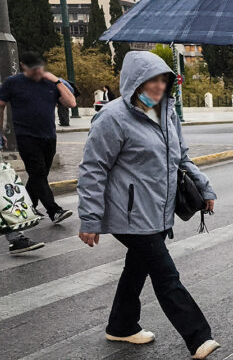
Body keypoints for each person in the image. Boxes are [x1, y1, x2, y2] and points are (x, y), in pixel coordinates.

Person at [77, 51, 220, 359]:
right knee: (165, 274)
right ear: (134, 81)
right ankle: (198, 336)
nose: (158, 86)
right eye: (150, 80)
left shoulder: (166, 113)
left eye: (163, 79)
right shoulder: (113, 116)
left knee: (137, 266)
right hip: (127, 212)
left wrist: (205, 188)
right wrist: (89, 219)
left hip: (156, 209)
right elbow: (93, 168)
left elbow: (181, 159)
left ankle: (121, 324)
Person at [0, 52, 76, 254]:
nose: (37, 71)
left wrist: (58, 81)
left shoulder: (50, 82)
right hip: (26, 136)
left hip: (49, 136)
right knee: (38, 172)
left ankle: (29, 209)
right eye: (33, 68)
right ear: (23, 66)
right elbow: (0, 105)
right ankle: (54, 210)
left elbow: (71, 103)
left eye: (40, 67)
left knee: (39, 175)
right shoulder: (12, 83)